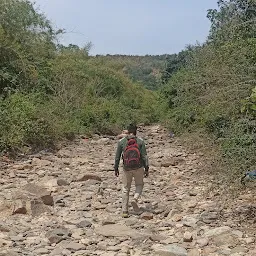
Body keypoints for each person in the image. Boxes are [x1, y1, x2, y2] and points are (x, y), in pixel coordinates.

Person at [114, 123, 149, 218]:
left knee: (125, 188)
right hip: (138, 167)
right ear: (135, 131)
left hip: (126, 168)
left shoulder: (121, 142)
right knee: (139, 184)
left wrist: (116, 168)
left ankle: (125, 211)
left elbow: (117, 157)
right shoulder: (140, 141)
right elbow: (144, 156)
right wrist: (146, 168)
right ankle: (135, 198)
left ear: (127, 131)